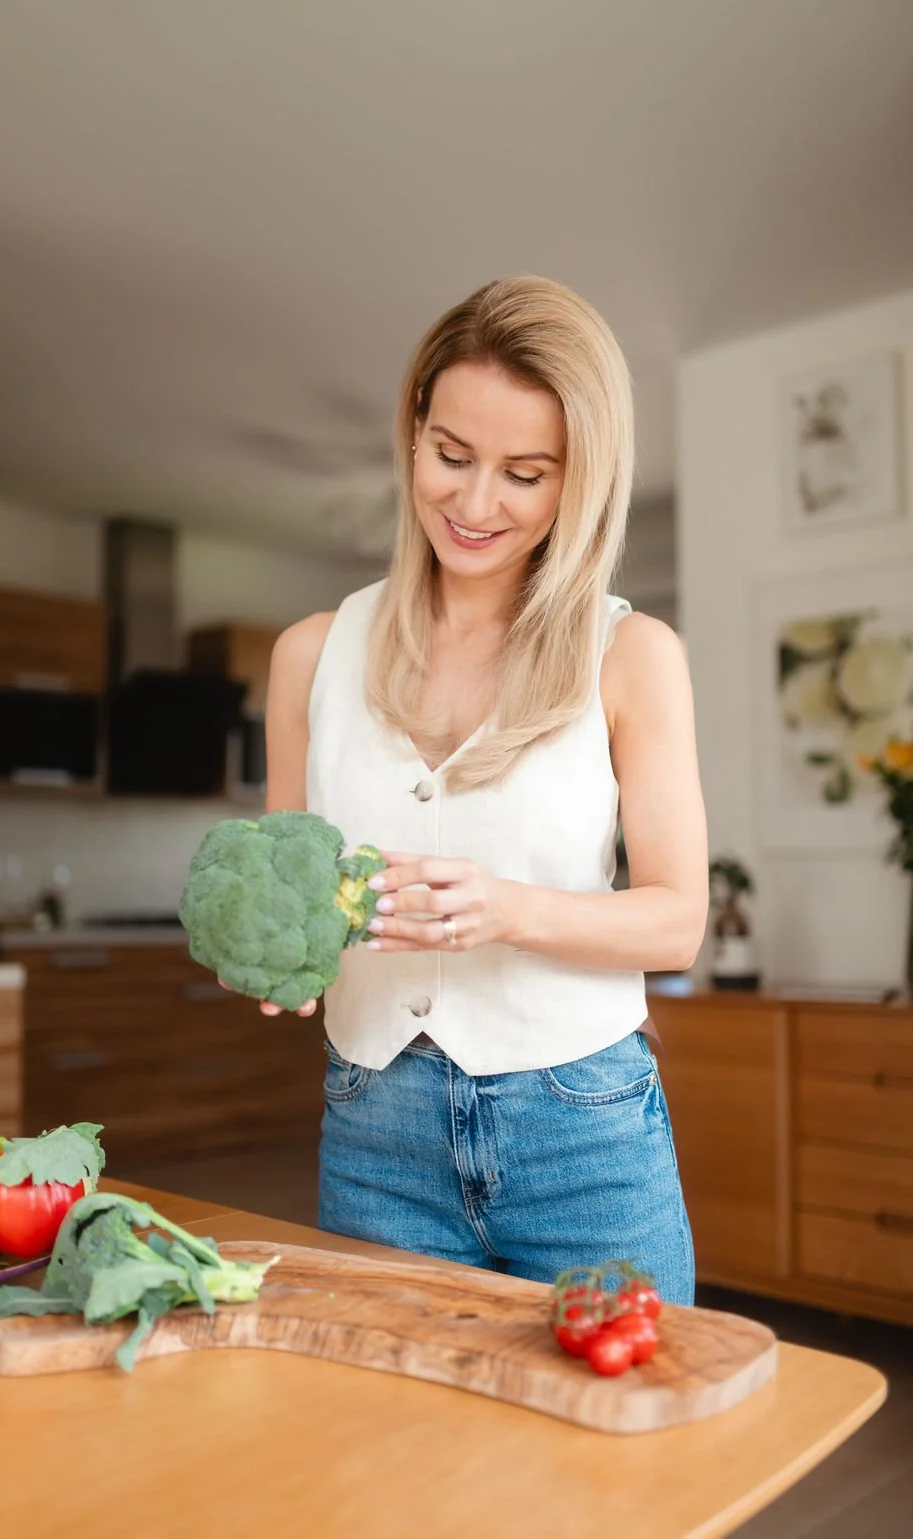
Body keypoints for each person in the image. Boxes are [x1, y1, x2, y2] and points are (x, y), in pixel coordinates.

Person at [257, 275, 708, 1301]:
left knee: (622, 1450)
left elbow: (677, 924)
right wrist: (278, 961)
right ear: (412, 433)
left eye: (524, 473)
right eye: (451, 456)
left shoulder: (629, 655)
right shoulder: (310, 657)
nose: (472, 503)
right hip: (375, 1133)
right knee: (401, 1450)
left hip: (581, 1133)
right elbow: (291, 908)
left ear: (577, 481)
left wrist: (503, 908)